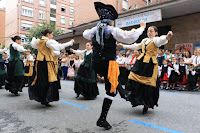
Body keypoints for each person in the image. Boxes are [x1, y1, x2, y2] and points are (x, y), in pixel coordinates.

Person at [83, 2, 146, 130]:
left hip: (96, 63)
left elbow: (85, 33)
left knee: (111, 81)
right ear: (110, 21)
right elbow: (130, 37)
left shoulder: (94, 30)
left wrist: (97, 29)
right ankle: (102, 119)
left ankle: (122, 92)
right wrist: (142, 28)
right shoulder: (112, 30)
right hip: (108, 63)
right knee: (111, 91)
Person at [118, 26, 173, 114]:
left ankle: (146, 104)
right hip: (141, 62)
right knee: (132, 77)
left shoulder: (155, 40)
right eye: (148, 31)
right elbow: (136, 46)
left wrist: (168, 36)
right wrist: (123, 46)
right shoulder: (144, 40)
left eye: (151, 31)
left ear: (156, 33)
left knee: (148, 84)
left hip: (150, 64)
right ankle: (134, 96)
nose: (149, 32)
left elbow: (162, 40)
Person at [29, 29, 74, 106]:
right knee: (49, 79)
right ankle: (46, 98)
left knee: (40, 79)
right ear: (48, 34)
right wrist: (70, 42)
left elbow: (32, 44)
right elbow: (58, 47)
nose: (52, 36)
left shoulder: (38, 41)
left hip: (39, 62)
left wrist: (33, 39)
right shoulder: (48, 41)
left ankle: (42, 98)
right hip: (46, 62)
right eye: (52, 34)